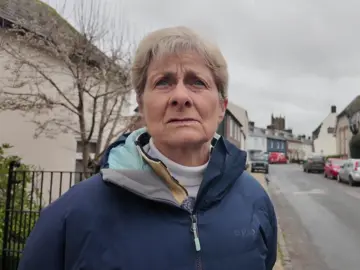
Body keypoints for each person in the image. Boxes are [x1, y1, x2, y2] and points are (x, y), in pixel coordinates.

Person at [18, 26, 278, 270]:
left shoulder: (255, 201)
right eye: (163, 82)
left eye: (197, 82)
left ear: (222, 107)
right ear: (141, 105)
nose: (180, 96)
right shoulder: (70, 217)